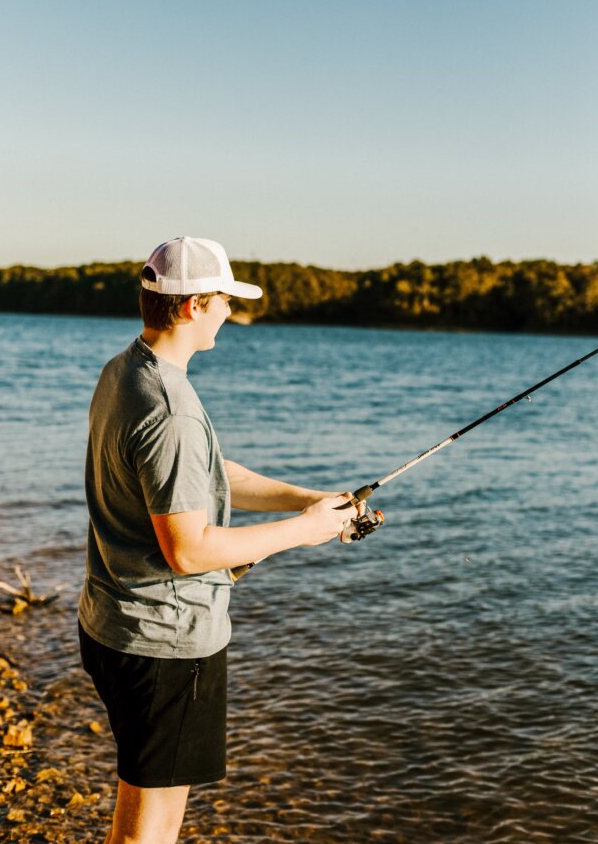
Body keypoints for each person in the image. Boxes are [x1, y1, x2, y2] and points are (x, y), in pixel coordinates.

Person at [78, 236, 358, 844]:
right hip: (164, 642)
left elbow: (206, 476)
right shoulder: (170, 408)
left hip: (113, 625)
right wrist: (305, 534)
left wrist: (307, 500)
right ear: (192, 306)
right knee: (149, 830)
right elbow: (190, 550)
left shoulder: (126, 370)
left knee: (139, 811)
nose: (231, 312)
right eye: (225, 300)